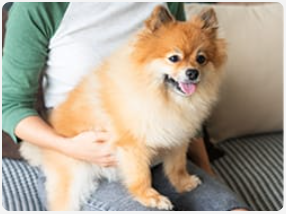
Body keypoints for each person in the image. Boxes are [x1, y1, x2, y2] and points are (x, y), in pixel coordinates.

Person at [2, 2, 249, 211]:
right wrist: (69, 146)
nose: (191, 67)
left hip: (161, 160)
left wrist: (207, 171)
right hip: (80, 162)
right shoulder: (39, 6)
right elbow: (9, 104)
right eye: (174, 59)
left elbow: (187, 118)